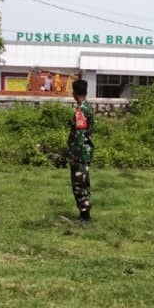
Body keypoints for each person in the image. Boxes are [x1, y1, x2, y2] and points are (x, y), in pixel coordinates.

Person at [67, 78, 95, 224]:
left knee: (79, 184)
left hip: (80, 153)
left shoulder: (81, 110)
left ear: (74, 93)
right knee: (84, 183)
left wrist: (73, 155)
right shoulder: (88, 107)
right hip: (86, 152)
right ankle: (85, 215)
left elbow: (79, 135)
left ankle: (84, 216)